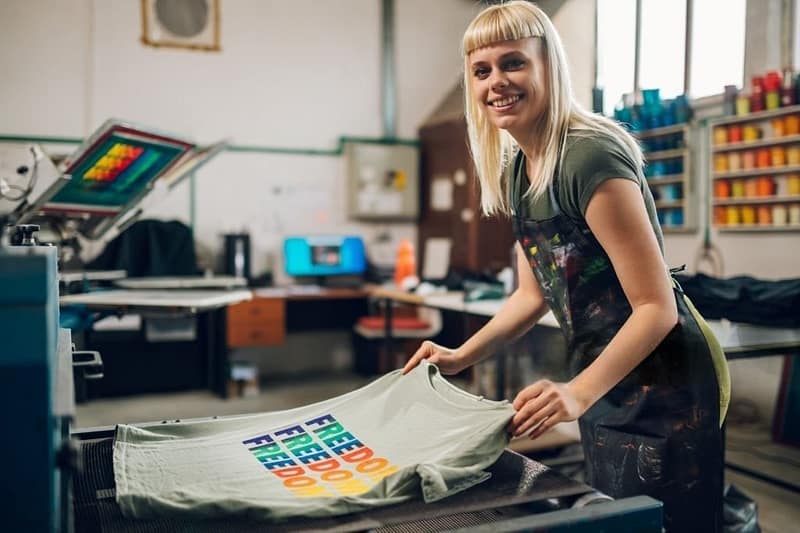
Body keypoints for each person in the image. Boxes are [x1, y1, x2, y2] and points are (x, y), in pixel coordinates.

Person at [402, 2, 730, 532]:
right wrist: (461, 355)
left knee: (663, 524)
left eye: (513, 63)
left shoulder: (588, 157)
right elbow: (531, 296)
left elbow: (656, 308)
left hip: (664, 380)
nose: (496, 83)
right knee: (619, 519)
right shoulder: (519, 170)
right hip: (602, 375)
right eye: (481, 71)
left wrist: (576, 391)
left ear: (548, 65)